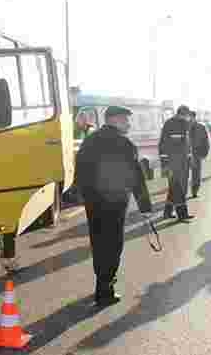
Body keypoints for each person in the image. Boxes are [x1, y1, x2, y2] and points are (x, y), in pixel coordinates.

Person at [75, 106, 152, 307]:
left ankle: (101, 284)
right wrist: (145, 207)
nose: (129, 124)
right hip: (115, 204)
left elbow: (80, 170)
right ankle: (105, 289)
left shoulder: (90, 140)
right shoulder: (125, 144)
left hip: (94, 203)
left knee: (98, 243)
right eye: (126, 120)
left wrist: (85, 196)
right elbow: (136, 177)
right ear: (115, 120)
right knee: (113, 245)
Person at [159, 105, 195, 221]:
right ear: (182, 114)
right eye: (187, 115)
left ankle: (167, 213)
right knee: (179, 188)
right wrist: (165, 164)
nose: (188, 118)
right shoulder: (170, 123)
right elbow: (162, 144)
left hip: (183, 162)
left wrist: (189, 159)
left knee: (175, 188)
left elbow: (187, 144)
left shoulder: (185, 124)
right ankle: (182, 214)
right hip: (172, 163)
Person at [189, 111, 210, 198]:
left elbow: (206, 141)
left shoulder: (201, 127)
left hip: (196, 153)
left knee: (196, 174)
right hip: (185, 153)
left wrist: (204, 153)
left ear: (194, 117)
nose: (189, 119)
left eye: (190, 117)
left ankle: (194, 191)